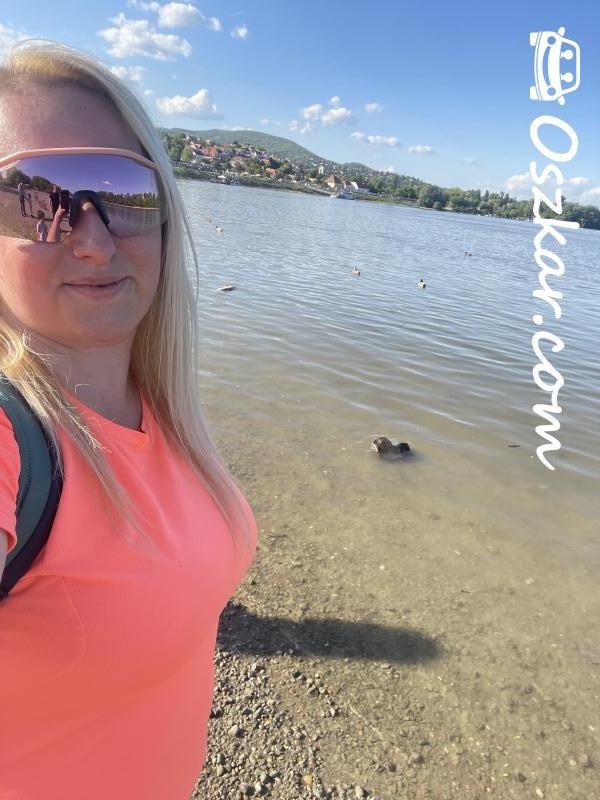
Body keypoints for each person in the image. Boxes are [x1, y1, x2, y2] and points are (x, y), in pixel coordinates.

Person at [0, 40, 258, 800]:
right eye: (38, 198)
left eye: (122, 191)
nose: (93, 238)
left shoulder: (161, 410)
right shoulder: (14, 442)